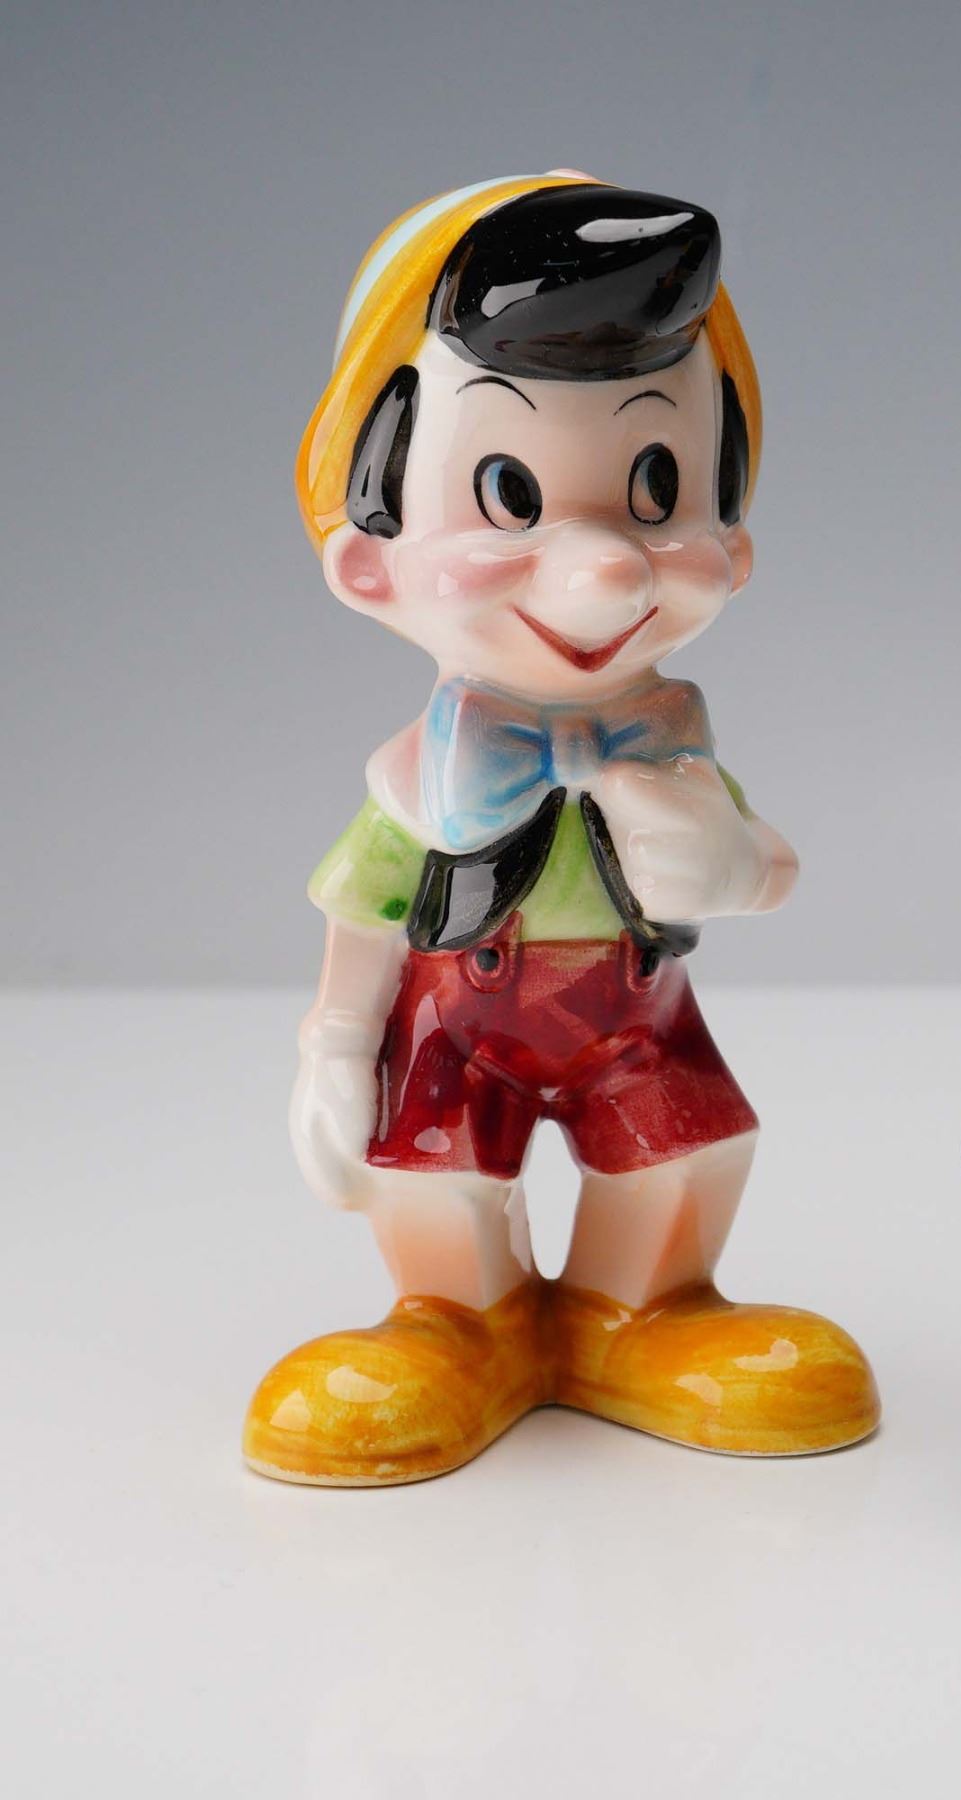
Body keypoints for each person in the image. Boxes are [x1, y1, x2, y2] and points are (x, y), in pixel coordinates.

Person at [245, 174, 878, 1485]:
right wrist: (334, 1053)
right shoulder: (422, 780)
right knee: (434, 1175)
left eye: (656, 485)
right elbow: (364, 913)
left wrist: (734, 863)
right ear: (369, 554)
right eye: (510, 493)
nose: (605, 568)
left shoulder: (675, 748)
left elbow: (769, 869)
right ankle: (454, 1324)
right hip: (455, 1024)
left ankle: (636, 1314)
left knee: (687, 1154)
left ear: (732, 535)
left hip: (637, 1021)